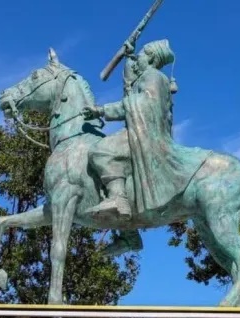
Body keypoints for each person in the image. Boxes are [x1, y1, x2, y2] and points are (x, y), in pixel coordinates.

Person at [83, 39, 206, 228]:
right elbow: (129, 87)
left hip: (148, 133)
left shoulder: (154, 76)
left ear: (150, 58)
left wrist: (102, 110)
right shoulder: (145, 76)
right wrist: (126, 57)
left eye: (140, 54)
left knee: (101, 150)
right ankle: (127, 232)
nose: (137, 57)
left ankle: (118, 199)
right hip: (141, 129)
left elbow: (143, 103)